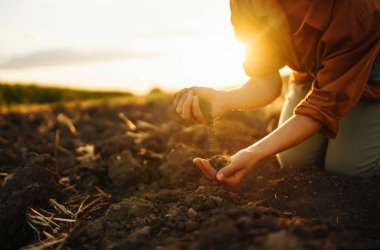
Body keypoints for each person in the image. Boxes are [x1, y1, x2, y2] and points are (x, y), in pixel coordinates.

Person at [174, 0, 380, 187]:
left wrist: (253, 153)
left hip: (372, 74)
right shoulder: (244, 3)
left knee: (348, 168)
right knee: (294, 159)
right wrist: (225, 98)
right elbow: (265, 81)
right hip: (315, 72)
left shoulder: (357, 8)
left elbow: (322, 107)